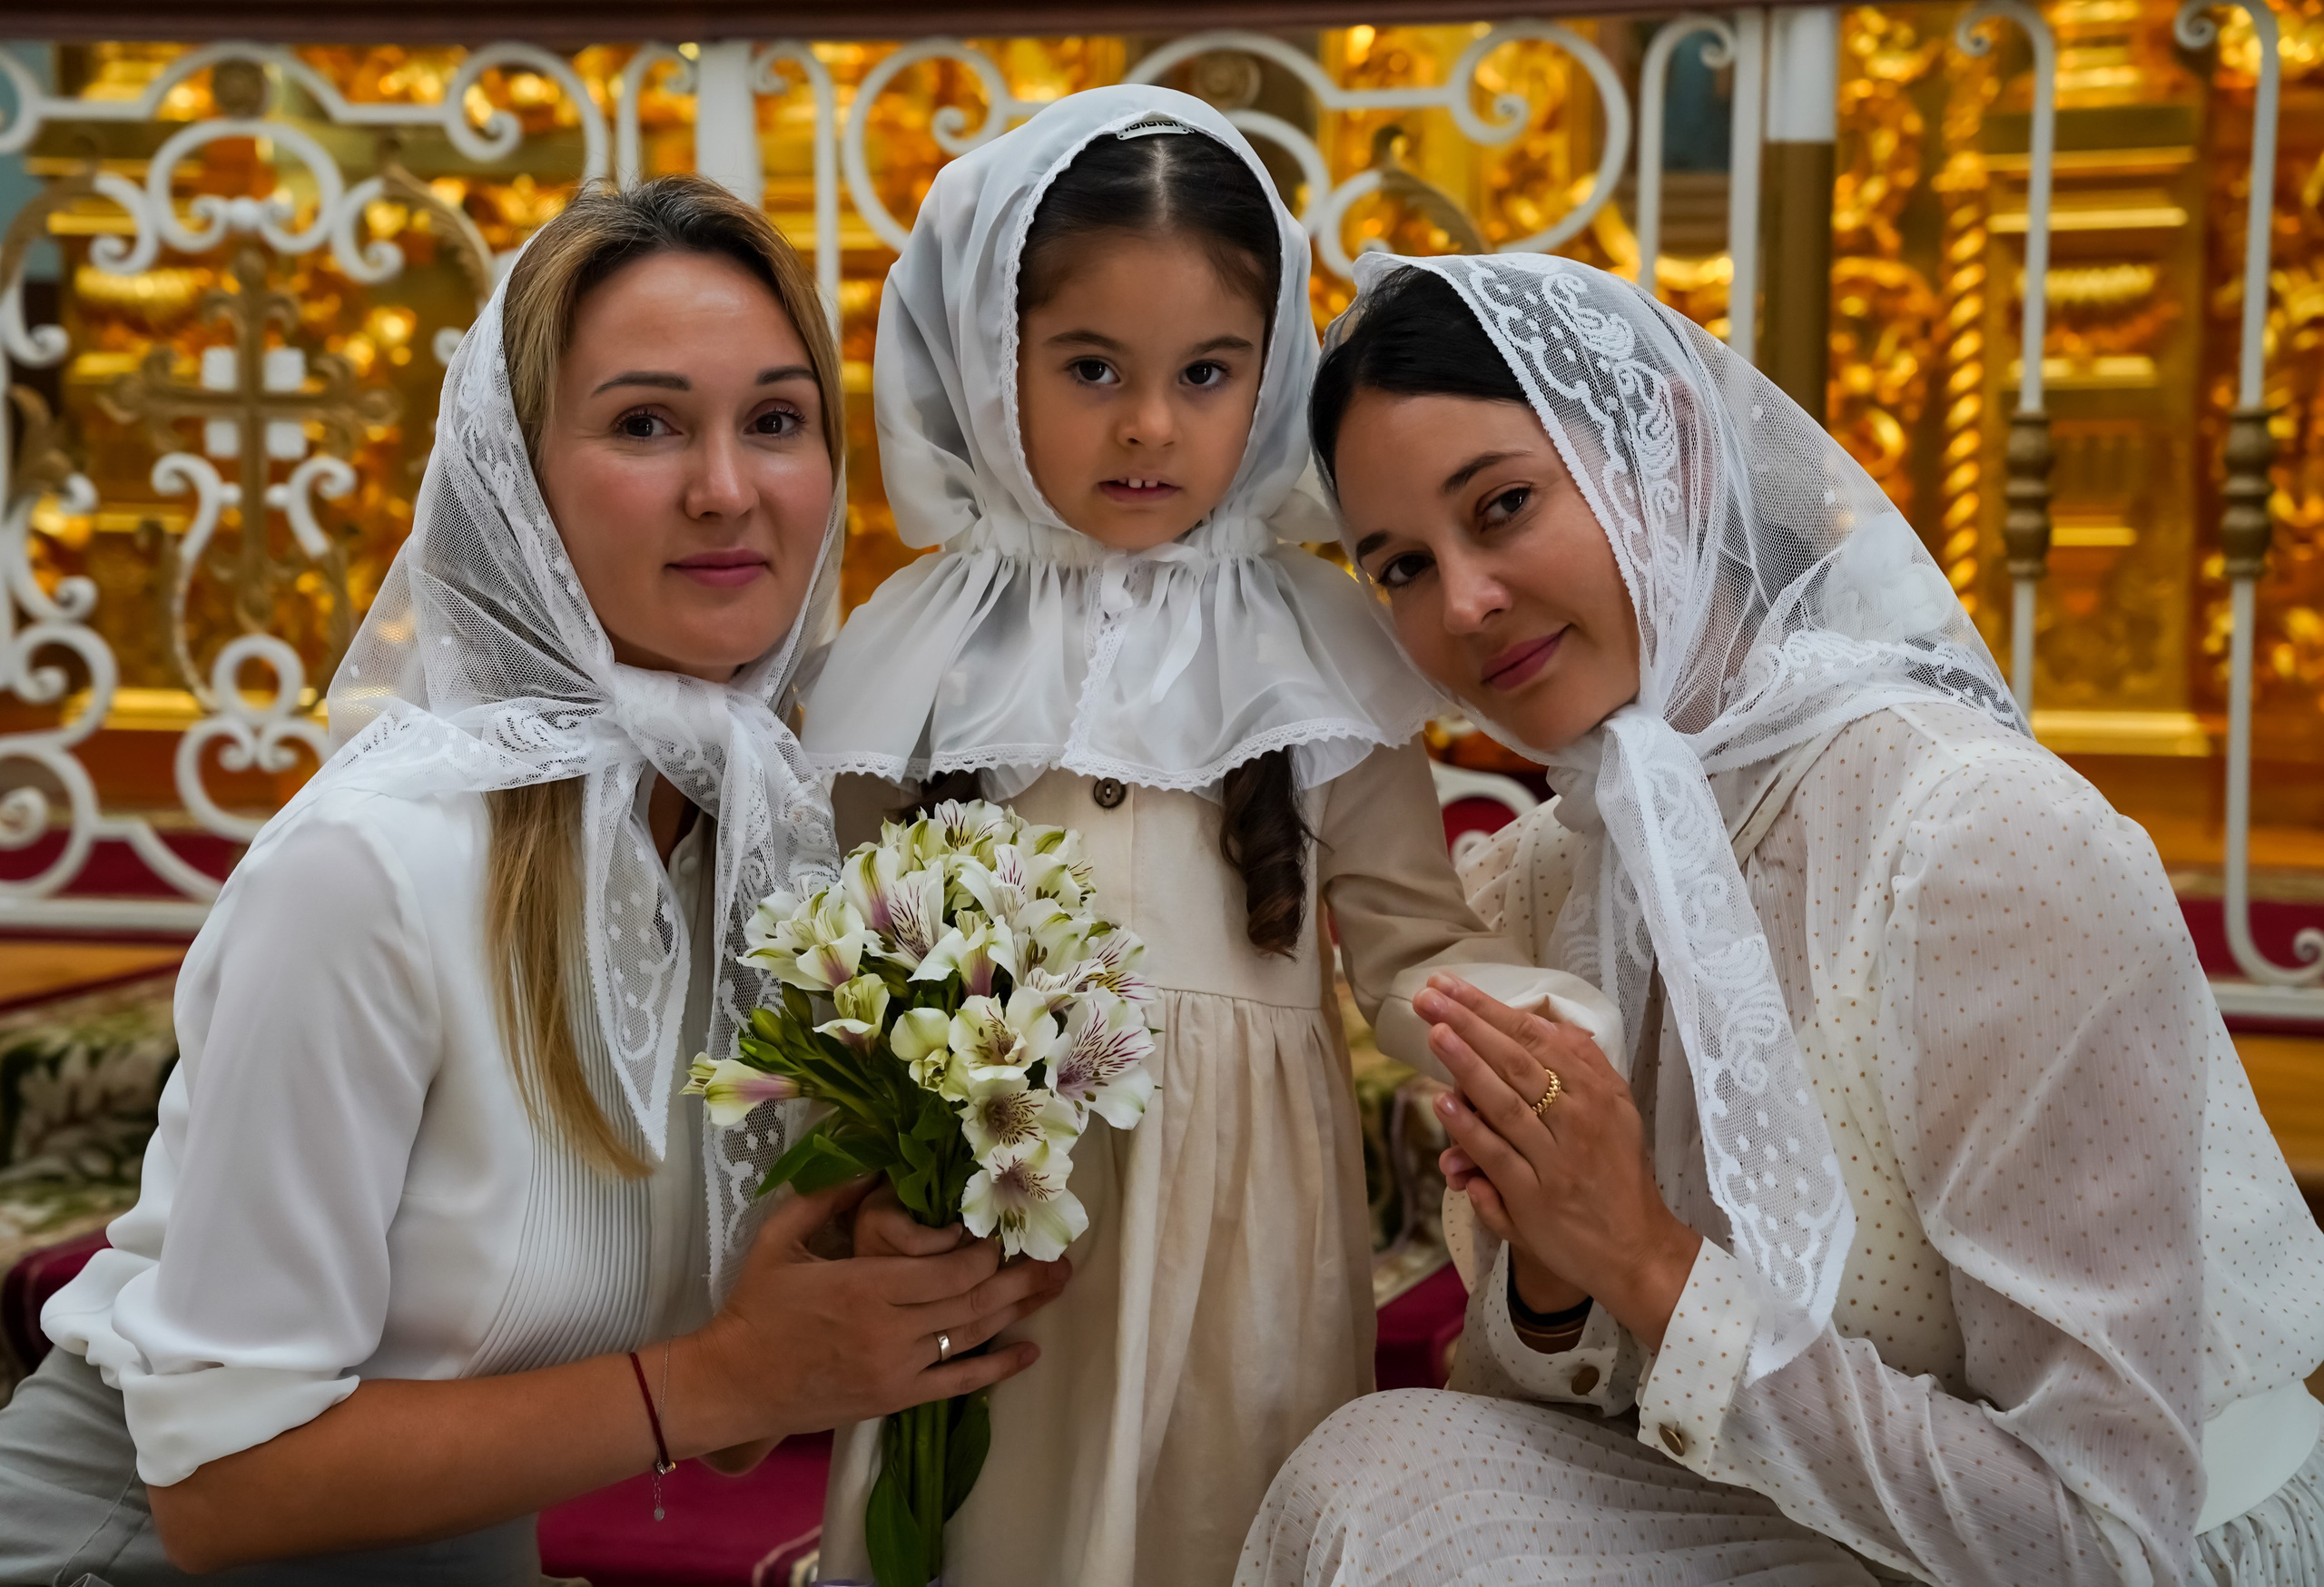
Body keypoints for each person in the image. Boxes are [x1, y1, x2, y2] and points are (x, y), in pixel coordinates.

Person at [0, 175, 1067, 1586]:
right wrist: (734, 1379)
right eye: (644, 424)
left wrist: (844, 1311)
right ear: (512, 479)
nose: (727, 489)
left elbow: (703, 1392)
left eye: (776, 420)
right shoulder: (373, 868)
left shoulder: (772, 850)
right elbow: (219, 1485)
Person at [1237, 251, 2324, 1585]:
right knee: (1373, 1489)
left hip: (2113, 1551)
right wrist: (1556, 1265)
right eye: (1399, 566)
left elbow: (2101, 1541)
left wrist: (1646, 1259)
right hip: (1791, 1514)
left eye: (1503, 505)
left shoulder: (1971, 848)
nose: (1460, 604)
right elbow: (1533, 1412)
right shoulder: (1531, 886)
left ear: (1677, 456)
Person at [800, 86, 1610, 1587]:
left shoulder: (1318, 645)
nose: (1151, 425)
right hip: (990, 1226)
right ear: (991, 360)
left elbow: (1412, 938)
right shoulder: (912, 650)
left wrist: (1549, 1045)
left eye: (1207, 371)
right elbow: (837, 983)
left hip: (1239, 1239)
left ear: (1270, 374)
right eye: (1091, 366)